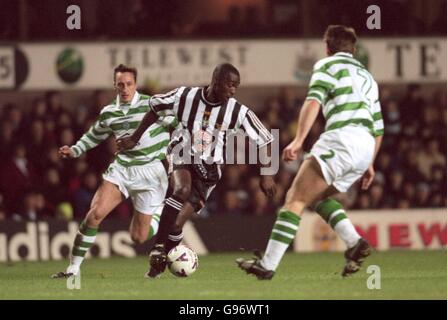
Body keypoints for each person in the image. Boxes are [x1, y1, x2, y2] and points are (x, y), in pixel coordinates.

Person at [236, 25, 384, 279]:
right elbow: (378, 128)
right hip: (364, 148)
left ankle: (268, 265)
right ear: (354, 50)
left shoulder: (326, 66)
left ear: (327, 49)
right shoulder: (369, 79)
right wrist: (370, 163)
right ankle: (355, 242)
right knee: (317, 198)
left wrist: (298, 141)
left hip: (342, 140)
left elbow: (313, 101)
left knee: (295, 198)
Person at [117, 63, 277, 278]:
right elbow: (155, 107)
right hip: (181, 152)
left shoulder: (237, 111)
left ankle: (158, 265)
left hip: (209, 173)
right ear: (216, 81)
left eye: (236, 86)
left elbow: (266, 139)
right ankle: (157, 248)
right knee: (181, 189)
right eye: (230, 85)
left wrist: (267, 175)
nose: (233, 90)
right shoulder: (185, 96)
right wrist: (135, 138)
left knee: (174, 226)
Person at [52, 64, 177, 278]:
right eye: (120, 84)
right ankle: (73, 269)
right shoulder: (109, 112)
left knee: (138, 237)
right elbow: (94, 135)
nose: (125, 88)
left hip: (151, 173)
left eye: (129, 84)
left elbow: (178, 124)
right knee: (95, 214)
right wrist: (75, 149)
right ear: (114, 85)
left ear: (135, 84)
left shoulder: (153, 105)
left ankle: (164, 214)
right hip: (122, 170)